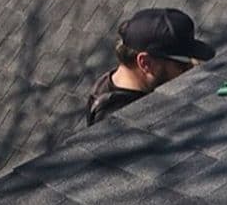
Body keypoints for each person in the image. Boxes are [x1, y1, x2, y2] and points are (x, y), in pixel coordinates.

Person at [86, 7, 214, 126]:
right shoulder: (115, 121)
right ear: (145, 63)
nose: (189, 70)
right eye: (182, 64)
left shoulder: (140, 89)